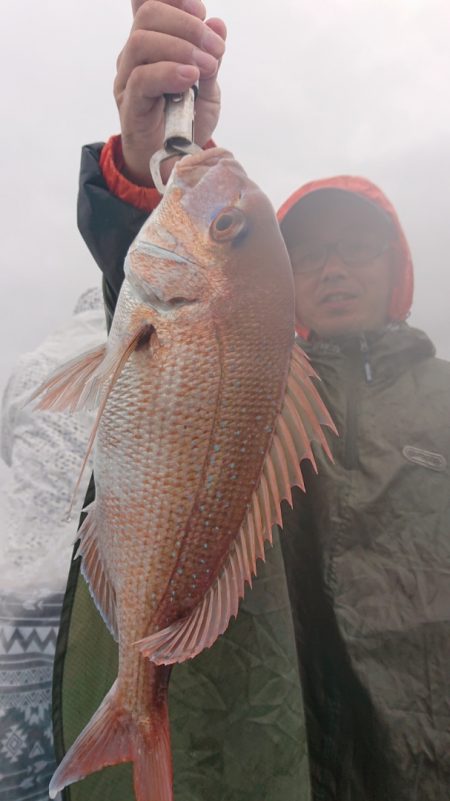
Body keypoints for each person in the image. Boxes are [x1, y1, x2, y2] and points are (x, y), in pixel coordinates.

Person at [54, 1, 450, 799]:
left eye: (358, 246)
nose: (334, 268)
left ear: (398, 266)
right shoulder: (258, 383)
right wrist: (147, 168)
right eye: (309, 251)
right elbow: (166, 359)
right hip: (282, 755)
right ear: (278, 284)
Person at [0, 288, 106, 801]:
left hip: (15, 594)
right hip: (88, 592)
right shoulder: (132, 355)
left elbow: (8, 446)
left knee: (18, 766)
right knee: (87, 740)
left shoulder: (31, 364)